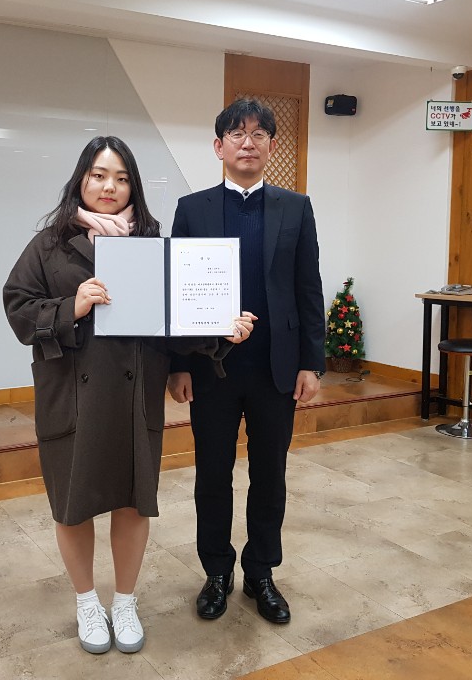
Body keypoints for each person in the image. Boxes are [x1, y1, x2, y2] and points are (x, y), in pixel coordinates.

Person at [2, 136, 255, 655]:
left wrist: (219, 329)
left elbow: (174, 322)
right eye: (98, 175)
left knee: (134, 503)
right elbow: (18, 308)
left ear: (132, 186)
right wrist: (71, 306)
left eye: (120, 178)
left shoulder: (153, 244)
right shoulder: (50, 243)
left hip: (135, 396)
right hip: (71, 398)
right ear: (81, 180)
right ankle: (86, 602)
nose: (108, 187)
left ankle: (124, 601)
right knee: (73, 506)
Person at [167, 98, 325, 624]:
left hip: (275, 369)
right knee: (212, 475)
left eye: (258, 134)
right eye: (236, 134)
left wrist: (311, 363)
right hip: (211, 370)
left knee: (270, 476)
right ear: (219, 147)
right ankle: (217, 571)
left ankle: (261, 572)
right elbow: (179, 293)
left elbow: (308, 288)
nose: (247, 143)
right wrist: (178, 364)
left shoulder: (295, 208)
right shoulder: (193, 209)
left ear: (271, 146)